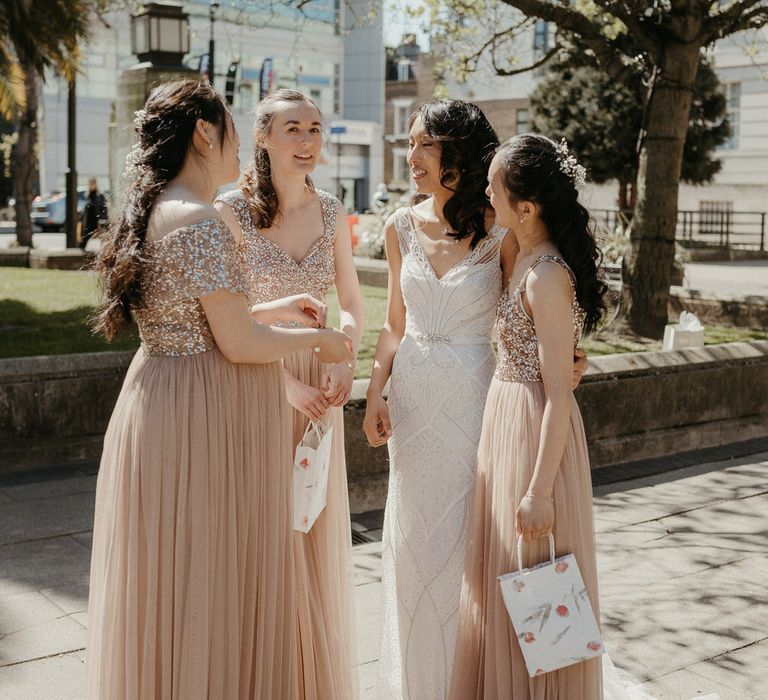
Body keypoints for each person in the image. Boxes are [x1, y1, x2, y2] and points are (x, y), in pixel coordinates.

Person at [86, 78, 352, 700]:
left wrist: (281, 306)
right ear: (204, 132)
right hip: (201, 417)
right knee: (212, 577)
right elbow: (237, 344)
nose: (236, 145)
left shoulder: (161, 209)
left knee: (174, 582)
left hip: (164, 398)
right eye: (229, 126)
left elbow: (201, 314)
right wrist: (320, 343)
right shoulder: (203, 220)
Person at [363, 99, 516, 699]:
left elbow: (527, 310)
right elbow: (393, 323)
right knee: (414, 546)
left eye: (426, 144)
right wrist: (374, 392)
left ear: (459, 152)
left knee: (469, 545)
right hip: (414, 400)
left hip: (478, 398)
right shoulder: (398, 226)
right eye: (409, 144)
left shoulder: (502, 227)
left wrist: (564, 355)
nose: (413, 157)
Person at [215, 88, 363, 700]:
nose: (307, 141)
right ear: (263, 138)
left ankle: (302, 679)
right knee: (258, 530)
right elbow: (219, 319)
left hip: (320, 387)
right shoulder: (229, 209)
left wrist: (345, 359)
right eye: (293, 129)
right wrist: (282, 382)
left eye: (315, 129)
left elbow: (351, 302)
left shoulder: (331, 211)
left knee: (307, 527)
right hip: (253, 374)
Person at [449, 134, 608, 699]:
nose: (486, 194)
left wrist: (540, 491)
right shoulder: (519, 253)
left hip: (535, 430)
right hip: (506, 418)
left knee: (539, 578)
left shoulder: (546, 277)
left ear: (527, 206)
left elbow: (560, 395)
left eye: (495, 186)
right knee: (509, 580)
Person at [80, 178, 107, 249]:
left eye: (92, 184)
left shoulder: (99, 195)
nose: (90, 186)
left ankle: (102, 251)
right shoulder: (88, 195)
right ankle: (82, 249)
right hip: (89, 219)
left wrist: (102, 217)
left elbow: (103, 207)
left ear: (95, 184)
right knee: (86, 236)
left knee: (101, 236)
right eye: (89, 184)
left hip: (97, 219)